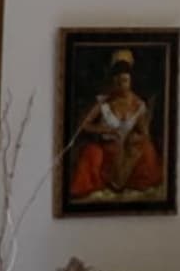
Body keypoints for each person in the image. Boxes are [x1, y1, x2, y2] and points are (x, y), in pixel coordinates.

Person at [66, 51, 166, 207]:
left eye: (124, 81)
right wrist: (103, 129)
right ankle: (109, 181)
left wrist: (135, 139)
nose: (121, 85)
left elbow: (144, 133)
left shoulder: (139, 105)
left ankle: (125, 181)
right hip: (107, 147)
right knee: (91, 153)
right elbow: (83, 125)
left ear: (131, 81)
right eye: (117, 81)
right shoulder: (104, 101)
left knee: (147, 150)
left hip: (127, 150)